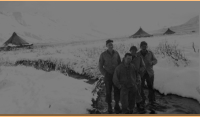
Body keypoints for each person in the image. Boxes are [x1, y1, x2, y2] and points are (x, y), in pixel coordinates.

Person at [98, 39, 121, 114]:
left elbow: (120, 64)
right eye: (109, 45)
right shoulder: (103, 55)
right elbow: (100, 66)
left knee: (117, 90)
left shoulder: (116, 53)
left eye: (111, 44)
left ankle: (117, 105)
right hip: (108, 76)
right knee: (108, 91)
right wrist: (105, 74)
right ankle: (109, 107)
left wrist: (119, 73)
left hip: (116, 76)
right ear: (106, 46)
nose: (111, 46)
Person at [137, 41, 157, 106]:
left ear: (146, 47)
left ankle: (151, 100)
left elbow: (155, 60)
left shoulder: (150, 53)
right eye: (142, 46)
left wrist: (152, 62)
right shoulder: (137, 54)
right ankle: (142, 100)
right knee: (141, 87)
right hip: (141, 74)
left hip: (149, 73)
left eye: (145, 46)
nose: (144, 47)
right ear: (140, 47)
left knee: (151, 87)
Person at [129, 46, 146, 110]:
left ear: (136, 51)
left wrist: (140, 70)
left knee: (138, 91)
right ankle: (130, 106)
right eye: (132, 50)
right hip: (129, 77)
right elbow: (122, 65)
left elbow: (143, 66)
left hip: (137, 77)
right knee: (130, 91)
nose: (133, 52)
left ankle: (138, 104)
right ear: (130, 51)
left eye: (135, 50)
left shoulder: (139, 58)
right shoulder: (127, 57)